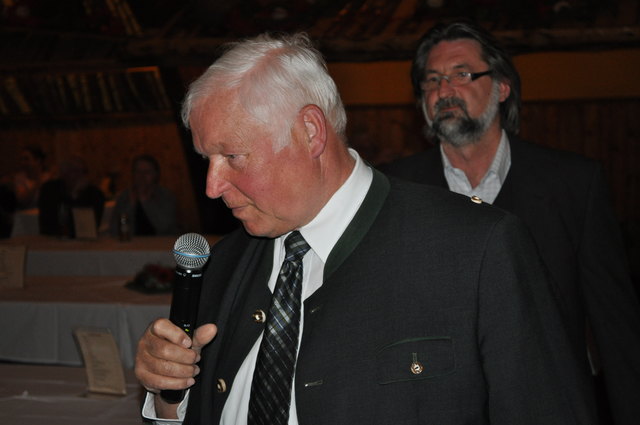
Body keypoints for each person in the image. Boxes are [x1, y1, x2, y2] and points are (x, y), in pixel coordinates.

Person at [135, 33, 596, 425]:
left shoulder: (475, 250)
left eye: (232, 156)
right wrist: (168, 396)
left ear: (310, 132)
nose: (212, 186)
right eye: (207, 160)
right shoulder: (224, 264)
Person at [379, 20, 640, 425]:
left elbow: (616, 326)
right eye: (432, 80)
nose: (444, 91)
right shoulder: (393, 191)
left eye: (462, 74)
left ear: (502, 88)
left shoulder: (572, 184)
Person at [109, 154, 179, 237]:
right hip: (134, 243)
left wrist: (145, 201)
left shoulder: (165, 196)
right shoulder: (124, 197)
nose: (141, 176)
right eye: (138, 172)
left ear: (156, 174)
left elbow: (165, 227)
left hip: (161, 243)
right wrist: (130, 206)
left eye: (147, 172)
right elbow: (114, 230)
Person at [38, 155, 105, 237]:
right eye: (74, 171)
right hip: (52, 238)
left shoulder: (95, 194)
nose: (80, 175)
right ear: (63, 173)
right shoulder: (50, 190)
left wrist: (76, 195)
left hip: (83, 239)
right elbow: (49, 223)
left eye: (83, 171)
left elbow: (89, 226)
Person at [1, 145, 52, 210]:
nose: (23, 162)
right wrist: (37, 183)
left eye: (26, 159)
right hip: (26, 214)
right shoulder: (20, 178)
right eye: (21, 159)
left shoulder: (49, 177)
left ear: (38, 160)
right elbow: (23, 202)